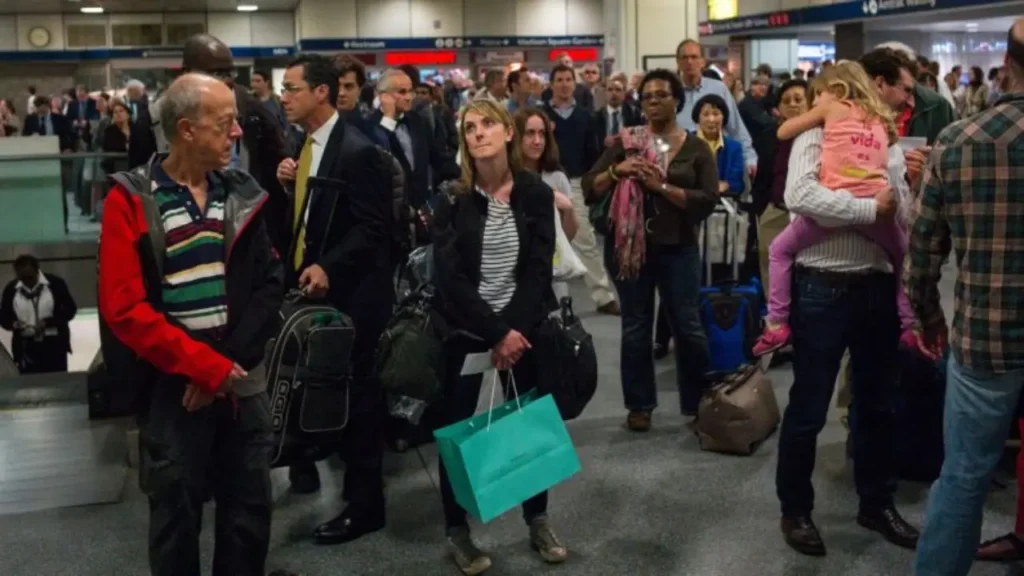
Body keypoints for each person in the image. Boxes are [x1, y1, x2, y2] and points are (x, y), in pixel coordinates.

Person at [98, 73, 284, 576]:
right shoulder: (131, 200)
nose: (237, 133)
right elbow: (124, 309)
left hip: (241, 382)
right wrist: (203, 370)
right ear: (185, 129)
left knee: (248, 516)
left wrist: (225, 368)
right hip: (173, 391)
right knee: (176, 521)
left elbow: (271, 284)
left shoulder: (244, 193)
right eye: (225, 124)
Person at [774, 58, 919, 559]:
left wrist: (876, 201)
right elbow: (800, 195)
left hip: (876, 286)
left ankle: (876, 503)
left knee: (877, 405)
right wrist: (862, 209)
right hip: (821, 287)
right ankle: (795, 509)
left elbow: (897, 205)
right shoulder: (815, 132)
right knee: (809, 408)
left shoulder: (885, 135)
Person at [430, 98, 565, 575]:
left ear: (509, 132)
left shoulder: (535, 194)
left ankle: (538, 519)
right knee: (458, 432)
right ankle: (457, 530)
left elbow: (537, 269)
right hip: (467, 331)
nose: (479, 133)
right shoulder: (451, 197)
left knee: (528, 425)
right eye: (470, 127)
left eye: (488, 124)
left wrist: (513, 330)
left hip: (521, 329)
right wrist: (494, 331)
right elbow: (450, 279)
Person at [912, 18, 1024, 576]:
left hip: (985, 337)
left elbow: (923, 250)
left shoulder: (959, 140)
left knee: (963, 475)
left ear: (1007, 66)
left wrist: (930, 319)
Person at [276, 53, 394, 545]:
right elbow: (323, 215)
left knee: (362, 399)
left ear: (320, 93)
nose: (283, 97)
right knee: (333, 392)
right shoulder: (306, 146)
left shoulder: (358, 151)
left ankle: (366, 506)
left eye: (292, 88)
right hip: (319, 292)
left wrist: (330, 264)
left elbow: (374, 228)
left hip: (357, 296)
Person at [582, 69, 717, 431]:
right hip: (629, 249)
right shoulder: (626, 142)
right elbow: (589, 187)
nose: (653, 101)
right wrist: (617, 170)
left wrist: (662, 188)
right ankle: (639, 405)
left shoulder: (696, 146)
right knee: (636, 326)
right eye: (647, 96)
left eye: (661, 94)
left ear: (677, 99)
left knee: (687, 327)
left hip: (680, 249)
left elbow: (707, 200)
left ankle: (696, 402)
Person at [752, 61, 916, 356]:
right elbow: (895, 187)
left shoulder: (827, 115)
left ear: (837, 91)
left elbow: (784, 134)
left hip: (828, 220)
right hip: (877, 212)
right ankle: (910, 326)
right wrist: (872, 208)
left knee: (779, 249)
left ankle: (777, 323)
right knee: (903, 253)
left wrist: (812, 117)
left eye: (816, 96)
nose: (812, 104)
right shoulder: (880, 121)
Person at [544, 63, 620, 316]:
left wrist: (592, 185)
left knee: (585, 241)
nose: (564, 84)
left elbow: (593, 154)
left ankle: (603, 296)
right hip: (545, 180)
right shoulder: (542, 116)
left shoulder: (586, 116)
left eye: (568, 79)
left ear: (574, 85)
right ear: (551, 84)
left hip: (576, 182)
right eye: (560, 80)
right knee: (542, 239)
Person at [749, 79, 811, 295]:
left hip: (809, 214)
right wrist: (760, 209)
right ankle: (774, 322)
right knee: (772, 272)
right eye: (786, 101)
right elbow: (764, 175)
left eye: (798, 99)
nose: (792, 105)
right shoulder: (770, 136)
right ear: (779, 108)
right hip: (775, 210)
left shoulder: (821, 134)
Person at [514, 106, 578, 298]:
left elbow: (568, 236)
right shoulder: (507, 177)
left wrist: (567, 209)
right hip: (514, 276)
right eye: (530, 133)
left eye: (542, 134)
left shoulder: (556, 177)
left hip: (551, 276)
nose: (537, 141)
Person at [675, 39, 757, 173]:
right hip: (681, 163)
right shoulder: (671, 92)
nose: (689, 62)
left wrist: (749, 158)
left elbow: (735, 127)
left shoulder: (718, 89)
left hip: (717, 160)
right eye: (684, 57)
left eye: (694, 57)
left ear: (703, 61)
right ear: (678, 62)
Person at [0, 255, 77, 374]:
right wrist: (14, 324)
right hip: (25, 346)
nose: (27, 282)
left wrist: (48, 322)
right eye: (22, 278)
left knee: (57, 382)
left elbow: (70, 310)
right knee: (29, 385)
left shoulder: (55, 284)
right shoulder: (11, 289)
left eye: (30, 278)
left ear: (37, 271)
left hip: (54, 344)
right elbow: (4, 318)